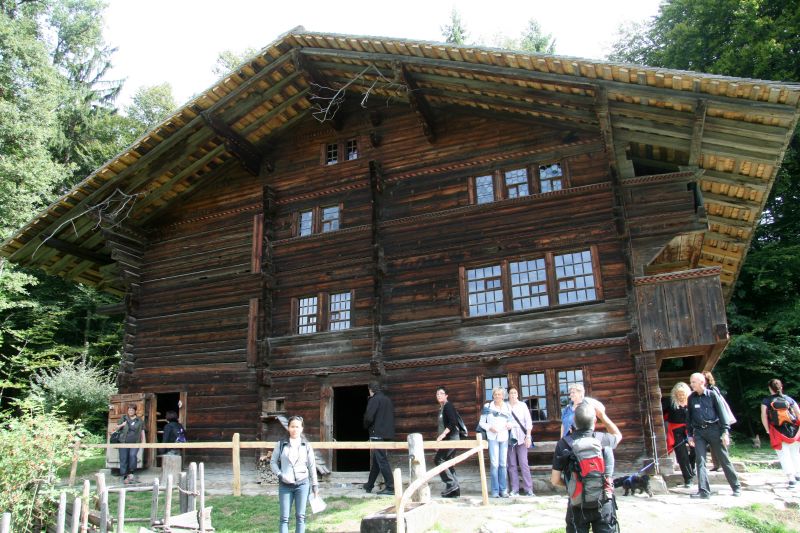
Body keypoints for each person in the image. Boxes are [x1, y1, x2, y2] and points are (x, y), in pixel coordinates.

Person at [551, 402, 622, 533]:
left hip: (577, 504)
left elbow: (555, 480)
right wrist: (603, 415)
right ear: (595, 420)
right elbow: (619, 435)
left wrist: (571, 484)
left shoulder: (564, 443)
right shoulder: (605, 439)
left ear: (574, 420)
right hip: (604, 502)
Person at [686, 372, 741, 498]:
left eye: (693, 382)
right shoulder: (691, 398)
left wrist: (725, 432)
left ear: (701, 382)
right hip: (699, 432)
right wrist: (689, 435)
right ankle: (704, 491)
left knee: (723, 459)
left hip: (714, 430)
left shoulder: (712, 395)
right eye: (691, 382)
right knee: (700, 461)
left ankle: (736, 487)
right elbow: (689, 418)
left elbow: (723, 414)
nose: (691, 384)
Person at [270, 415, 319, 533]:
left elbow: (312, 466)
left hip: (302, 484)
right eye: (292, 426)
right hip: (285, 485)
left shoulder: (306, 445)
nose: (294, 429)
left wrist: (315, 485)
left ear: (302, 428)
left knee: (301, 517)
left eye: (297, 427)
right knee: (284, 518)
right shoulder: (281, 444)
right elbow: (273, 462)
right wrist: (280, 475)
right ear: (288, 428)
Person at [761, 378, 800, 487]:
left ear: (770, 388)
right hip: (794, 430)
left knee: (784, 454)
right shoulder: (789, 399)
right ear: (781, 387)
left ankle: (791, 478)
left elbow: (763, 416)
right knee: (795, 453)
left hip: (778, 430)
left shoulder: (766, 401)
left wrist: (767, 430)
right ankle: (798, 474)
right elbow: (798, 413)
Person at [363, 381, 395, 495]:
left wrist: (365, 426)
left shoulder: (374, 400)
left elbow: (369, 417)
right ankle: (369, 485)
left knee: (381, 459)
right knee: (377, 460)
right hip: (387, 434)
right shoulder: (387, 400)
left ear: (371, 389)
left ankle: (391, 487)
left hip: (377, 433)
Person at [479, 387, 512, 498]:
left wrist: (509, 425)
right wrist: (490, 427)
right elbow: (482, 423)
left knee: (503, 464)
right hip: (492, 437)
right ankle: (495, 491)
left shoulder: (507, 406)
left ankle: (503, 490)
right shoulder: (487, 407)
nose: (497, 396)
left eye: (499, 394)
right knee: (494, 464)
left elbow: (511, 421)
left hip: (504, 437)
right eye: (495, 394)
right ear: (493, 395)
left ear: (503, 396)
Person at [662, 382, 695, 488]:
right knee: (682, 455)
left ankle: (692, 467)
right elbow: (659, 411)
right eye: (678, 394)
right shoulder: (670, 402)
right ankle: (688, 479)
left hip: (690, 429)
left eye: (682, 394)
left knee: (696, 451)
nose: (680, 396)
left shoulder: (692, 401)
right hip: (676, 431)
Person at [507, 387, 534, 496]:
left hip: (522, 437)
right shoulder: (505, 406)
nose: (513, 395)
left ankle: (528, 489)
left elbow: (528, 421)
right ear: (508, 394)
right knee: (512, 464)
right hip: (510, 438)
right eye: (511, 393)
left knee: (524, 463)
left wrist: (528, 436)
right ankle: (515, 489)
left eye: (515, 392)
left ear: (517, 394)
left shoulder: (522, 405)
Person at [435, 386, 461, 497]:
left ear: (446, 395)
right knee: (448, 463)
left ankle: (451, 484)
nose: (439, 395)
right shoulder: (442, 408)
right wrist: (440, 440)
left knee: (439, 459)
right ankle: (455, 490)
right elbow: (442, 426)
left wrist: (442, 436)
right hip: (447, 439)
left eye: (441, 393)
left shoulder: (448, 406)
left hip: (451, 438)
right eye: (437, 394)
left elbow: (453, 422)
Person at [114, 404, 146, 484]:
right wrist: (122, 425)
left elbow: (142, 431)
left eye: (132, 410)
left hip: (135, 442)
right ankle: (124, 476)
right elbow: (116, 427)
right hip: (123, 442)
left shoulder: (139, 420)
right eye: (129, 410)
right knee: (123, 458)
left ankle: (131, 472)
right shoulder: (124, 418)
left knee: (132, 455)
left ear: (135, 411)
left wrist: (144, 441)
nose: (130, 411)